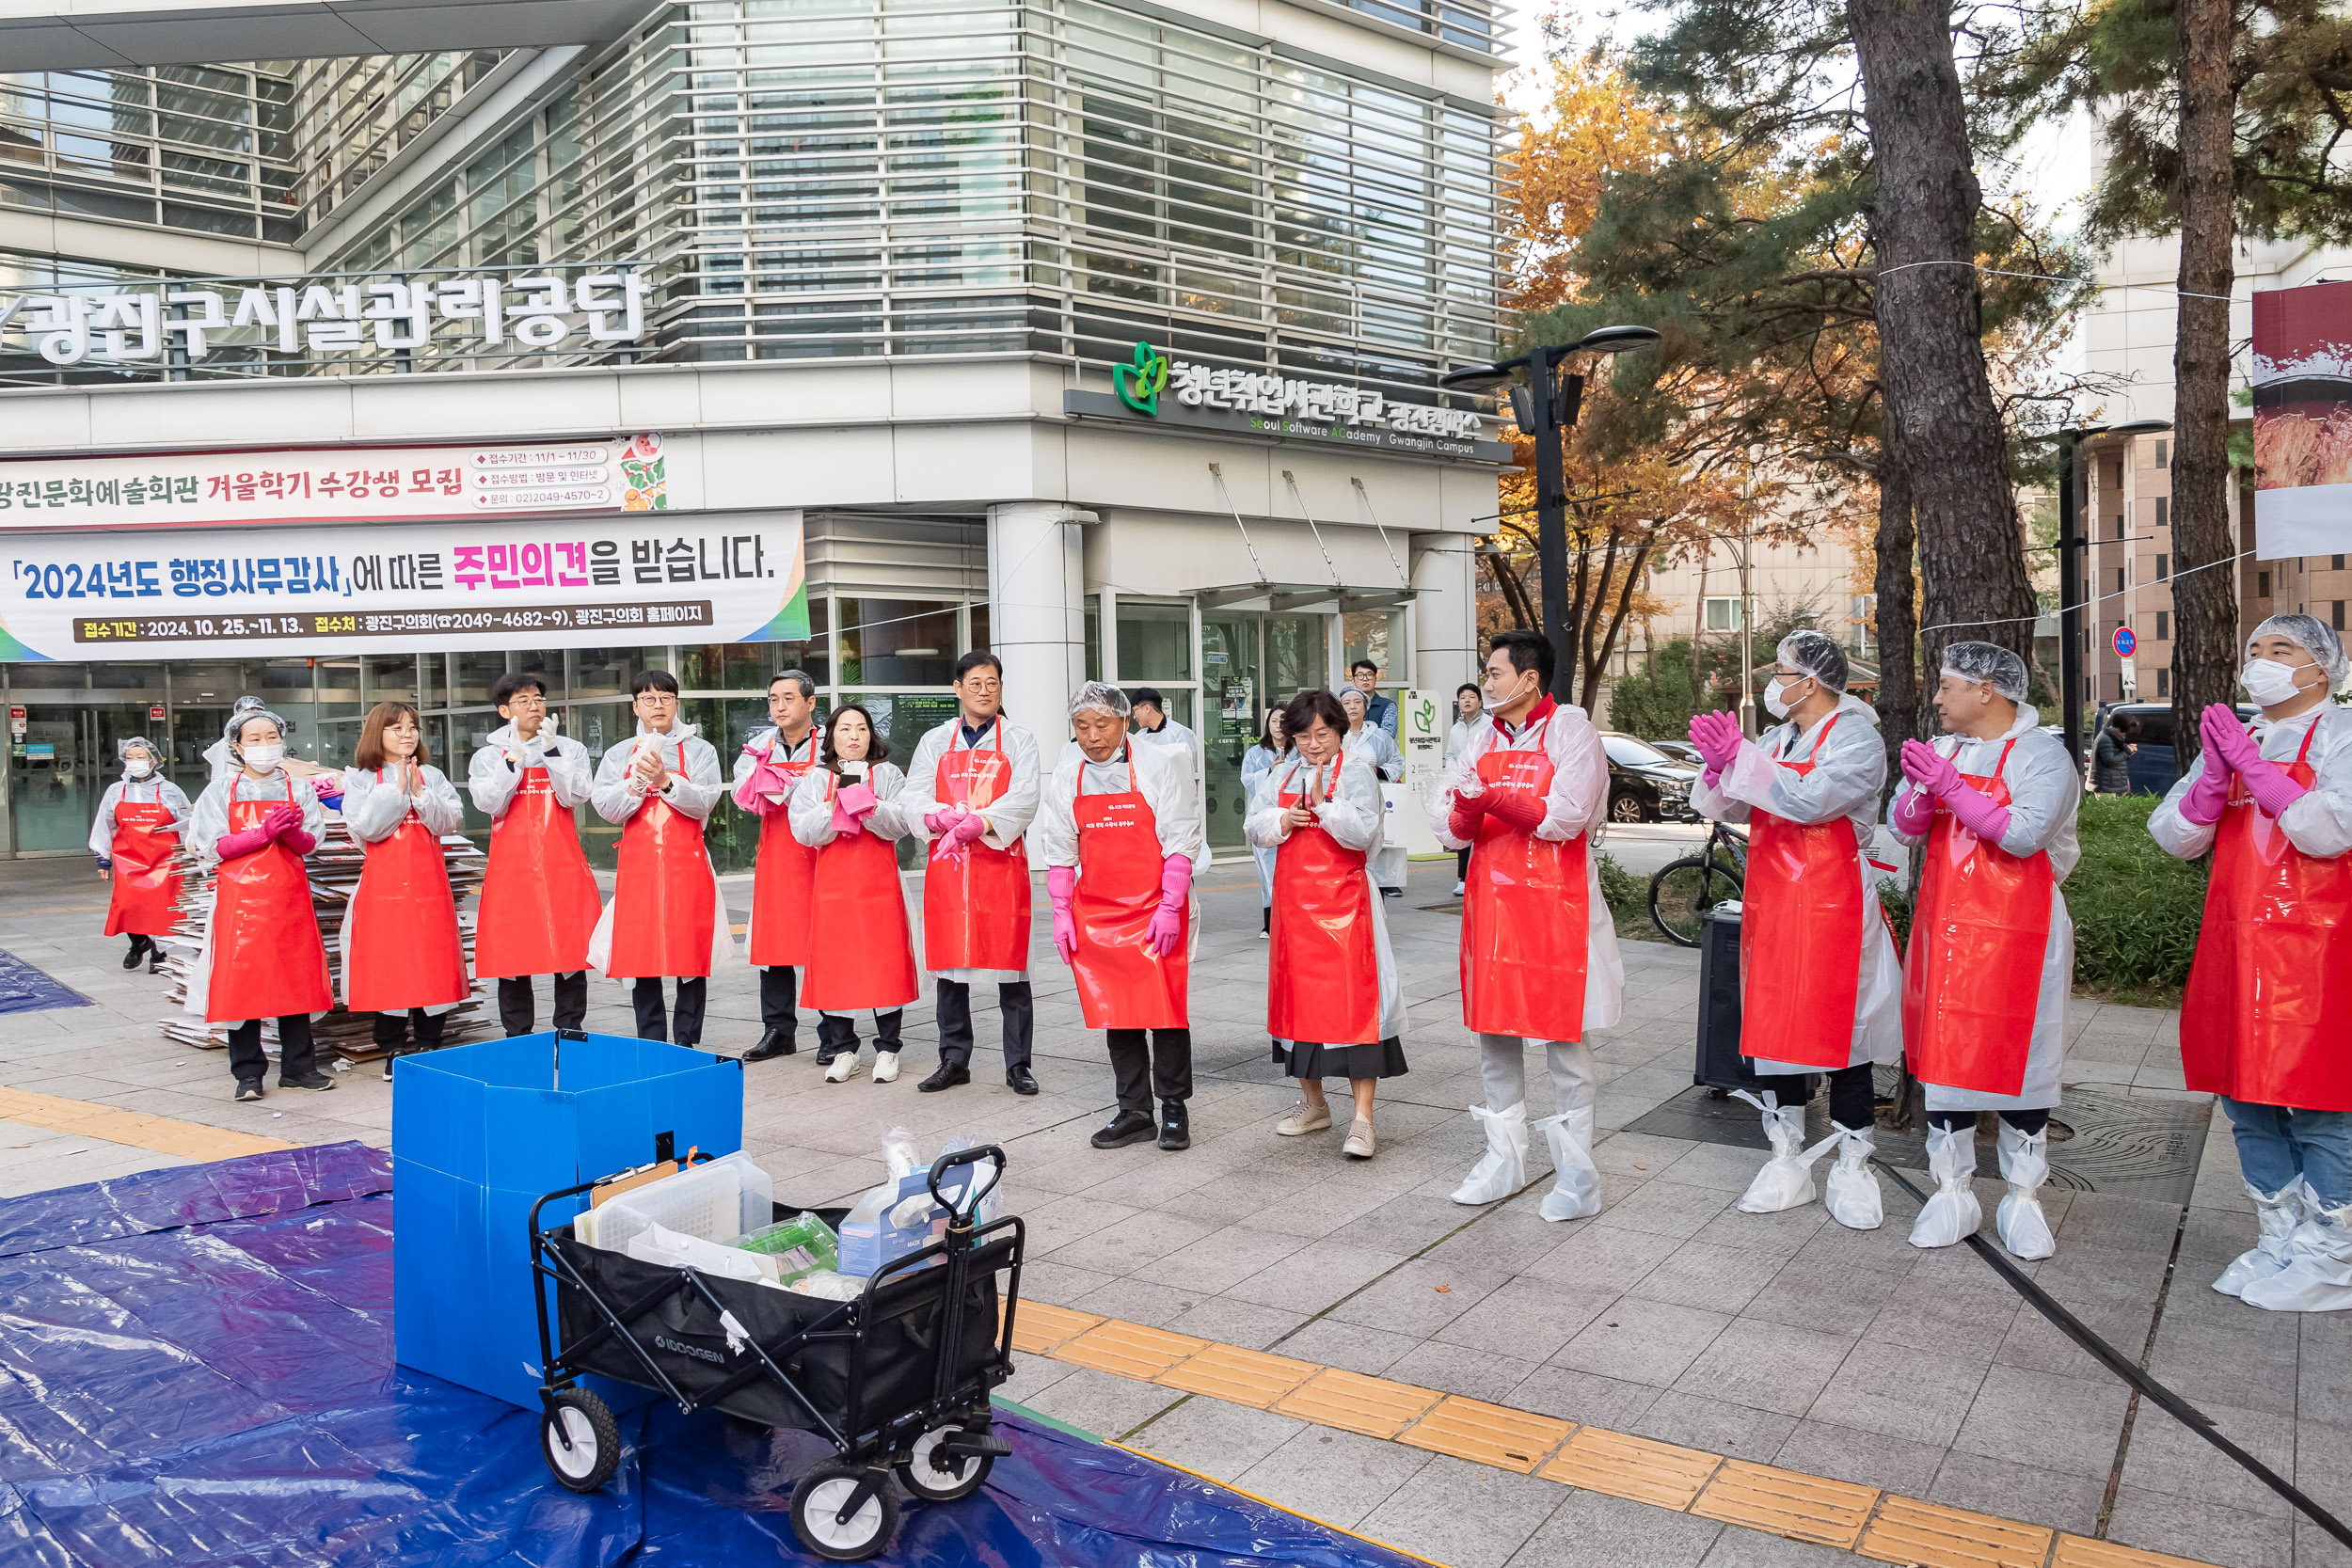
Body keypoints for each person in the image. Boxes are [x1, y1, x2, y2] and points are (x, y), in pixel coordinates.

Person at [2151, 613, 2352, 1311]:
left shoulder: (2343, 736)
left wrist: (2254, 769)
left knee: (2321, 1100)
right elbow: (2174, 837)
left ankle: (2332, 1250)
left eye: (2281, 650)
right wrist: (2212, 777)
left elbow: (2327, 831)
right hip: (2237, 946)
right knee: (2245, 1097)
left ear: (2319, 670)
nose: (2259, 661)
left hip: (2321, 949)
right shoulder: (2243, 738)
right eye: (2255, 648)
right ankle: (2281, 1236)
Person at [1688, 631, 1901, 1228]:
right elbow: (1729, 806)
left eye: (1782, 673)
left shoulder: (1858, 737)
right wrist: (1720, 765)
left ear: (1810, 682)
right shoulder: (1781, 736)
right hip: (1775, 898)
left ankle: (1853, 1162)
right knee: (1777, 1022)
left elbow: (1811, 800)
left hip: (1832, 898)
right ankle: (1786, 1157)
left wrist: (1744, 762)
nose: (1773, 684)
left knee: (1844, 1025)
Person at [1890, 640, 2079, 1260]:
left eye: (1947, 686)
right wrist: (1919, 794)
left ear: (1987, 690)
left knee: (2023, 1061)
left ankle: (2023, 1198)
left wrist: (1950, 786)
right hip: (1948, 929)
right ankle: (1952, 1190)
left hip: (2020, 934)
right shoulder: (1945, 749)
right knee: (1947, 1063)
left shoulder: (2042, 756)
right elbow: (1903, 827)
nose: (1938, 697)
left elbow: (2024, 835)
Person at [1429, 629, 1622, 1219]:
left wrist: (1490, 801)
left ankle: (1576, 1178)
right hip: (1493, 906)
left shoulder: (1571, 730)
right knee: (1495, 1034)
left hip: (1557, 907)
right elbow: (1444, 820)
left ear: (1529, 678)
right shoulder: (1481, 736)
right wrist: (1466, 810)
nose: (1485, 682)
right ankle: (1504, 1160)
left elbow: (1566, 815)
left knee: (1564, 1041)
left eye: (1494, 672)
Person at [1039, 683, 1207, 1151]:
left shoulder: (1160, 762)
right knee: (1118, 1011)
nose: (1092, 736)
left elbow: (1181, 837)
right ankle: (1134, 1109)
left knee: (1166, 1011)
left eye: (1102, 724)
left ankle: (1174, 1108)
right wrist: (1061, 912)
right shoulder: (1068, 771)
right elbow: (1059, 850)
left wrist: (1172, 905)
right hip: (1098, 911)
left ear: (1126, 721)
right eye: (1081, 726)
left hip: (1156, 906)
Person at [1248, 689, 1406, 1158]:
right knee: (1298, 1006)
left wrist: (1322, 806)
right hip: (1295, 908)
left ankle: (1363, 1119)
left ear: (1339, 729)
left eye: (1322, 733)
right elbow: (1254, 826)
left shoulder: (1357, 772)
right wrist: (1283, 818)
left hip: (1346, 907)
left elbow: (1365, 836)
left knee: (1355, 1008)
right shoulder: (1279, 773)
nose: (1313, 744)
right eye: (1303, 735)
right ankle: (1314, 1104)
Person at [900, 651, 1041, 1094]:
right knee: (949, 967)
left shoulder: (1019, 739)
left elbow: (1026, 795)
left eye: (992, 683)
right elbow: (913, 793)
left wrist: (981, 822)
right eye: (975, 683)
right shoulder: (935, 740)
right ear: (957, 689)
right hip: (949, 865)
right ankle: (954, 1059)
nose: (985, 691)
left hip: (1000, 864)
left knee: (1011, 968)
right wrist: (939, 817)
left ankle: (1018, 1064)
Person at [184, 708, 334, 1102]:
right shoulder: (220, 791)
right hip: (241, 900)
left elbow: (312, 844)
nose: (265, 746)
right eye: (254, 739)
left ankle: (299, 1068)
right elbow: (213, 846)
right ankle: (248, 1073)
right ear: (236, 746)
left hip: (289, 898)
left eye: (271, 737)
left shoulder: (299, 789)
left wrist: (291, 836)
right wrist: (263, 833)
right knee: (243, 985)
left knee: (294, 981)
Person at [588, 671, 730, 1045]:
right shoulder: (619, 753)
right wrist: (635, 784)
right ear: (636, 706)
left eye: (665, 698)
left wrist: (666, 781)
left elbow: (705, 801)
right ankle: (650, 1040)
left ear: (676, 703)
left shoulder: (700, 751)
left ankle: (687, 1040)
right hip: (639, 869)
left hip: (687, 865)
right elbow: (606, 807)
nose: (658, 706)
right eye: (648, 699)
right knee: (642, 956)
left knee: (690, 956)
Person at [788, 703, 917, 1082]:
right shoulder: (816, 779)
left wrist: (870, 805)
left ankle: (889, 1049)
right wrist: (833, 809)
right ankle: (844, 1048)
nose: (854, 737)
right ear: (832, 737)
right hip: (833, 888)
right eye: (845, 729)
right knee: (835, 964)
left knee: (885, 962)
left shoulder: (888, 774)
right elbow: (802, 830)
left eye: (861, 729)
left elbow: (902, 824)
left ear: (871, 735)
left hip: (879, 885)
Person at [469, 673, 601, 1037]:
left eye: (538, 699)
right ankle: (518, 1036)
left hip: (562, 864)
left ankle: (570, 1031)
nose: (534, 706)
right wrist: (513, 757)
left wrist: (552, 752)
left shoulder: (568, 748)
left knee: (570, 950)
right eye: (523, 701)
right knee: (514, 955)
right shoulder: (487, 756)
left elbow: (575, 795)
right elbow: (491, 803)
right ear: (503, 710)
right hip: (511, 869)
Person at [342, 702, 469, 1076]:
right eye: (396, 728)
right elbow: (367, 829)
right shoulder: (362, 779)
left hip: (430, 887)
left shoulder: (432, 774)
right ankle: (393, 1047)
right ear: (376, 734)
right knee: (390, 964)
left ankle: (431, 1041)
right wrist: (398, 791)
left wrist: (421, 793)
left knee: (434, 961)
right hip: (384, 890)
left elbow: (450, 821)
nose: (407, 734)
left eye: (412, 727)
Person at [733, 670, 824, 1061]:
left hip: (821, 854)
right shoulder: (759, 745)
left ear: (810, 703)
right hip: (776, 855)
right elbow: (740, 795)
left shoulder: (829, 745)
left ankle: (835, 1032)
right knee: (774, 945)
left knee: (823, 942)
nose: (780, 706)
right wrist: (758, 780)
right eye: (773, 699)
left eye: (788, 697)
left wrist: (788, 788)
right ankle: (778, 1030)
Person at [90, 736, 188, 973]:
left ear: (153, 761)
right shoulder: (116, 791)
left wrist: (193, 854)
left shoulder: (170, 791)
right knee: (127, 907)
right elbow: (106, 824)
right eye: (130, 757)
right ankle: (139, 941)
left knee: (162, 909)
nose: (134, 762)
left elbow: (188, 822)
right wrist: (102, 859)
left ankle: (160, 953)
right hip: (129, 861)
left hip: (165, 860)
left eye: (141, 757)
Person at [1339, 688, 1406, 897]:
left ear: (1365, 707)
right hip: (1344, 799)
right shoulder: (1335, 735)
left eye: (1357, 702)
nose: (1352, 706)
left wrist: (1379, 771)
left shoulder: (1379, 736)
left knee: (1374, 844)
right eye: (1347, 703)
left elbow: (1397, 761)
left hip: (1374, 798)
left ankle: (1378, 893)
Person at [1241, 707, 1291, 938]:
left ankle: (1289, 919)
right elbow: (1247, 780)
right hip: (1265, 817)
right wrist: (1269, 772)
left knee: (1288, 871)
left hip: (1290, 817)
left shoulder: (1299, 751)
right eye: (1274, 720)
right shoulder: (1255, 753)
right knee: (1267, 873)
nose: (1278, 725)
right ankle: (1269, 923)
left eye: (1283, 720)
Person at [1447, 683, 1482, 895]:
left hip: (1482, 783)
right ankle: (1462, 878)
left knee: (1483, 830)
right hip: (1461, 784)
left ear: (1480, 701)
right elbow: (1450, 754)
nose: (1466, 701)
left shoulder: (1489, 724)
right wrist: (1453, 773)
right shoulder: (1456, 728)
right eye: (1462, 698)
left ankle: (1480, 873)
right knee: (1463, 828)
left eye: (1471, 697)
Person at [1129, 688, 1202, 771]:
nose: (1134, 717)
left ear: (1147, 708)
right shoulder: (1139, 737)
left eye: (1134, 711)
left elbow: (1188, 769)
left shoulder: (1180, 733)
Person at [1349, 659, 1400, 737]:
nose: (1365, 679)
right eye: (1360, 675)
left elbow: (1387, 736)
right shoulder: (1345, 706)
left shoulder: (1388, 705)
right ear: (1353, 681)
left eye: (1369, 675)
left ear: (1375, 680)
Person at [2092, 714, 2139, 794]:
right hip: (2106, 786)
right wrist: (2127, 751)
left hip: (2111, 784)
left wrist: (2128, 751)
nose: (2125, 733)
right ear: (2118, 727)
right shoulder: (2106, 739)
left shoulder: (2112, 737)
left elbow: (2116, 757)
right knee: (2108, 805)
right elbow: (2109, 761)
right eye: (2125, 730)